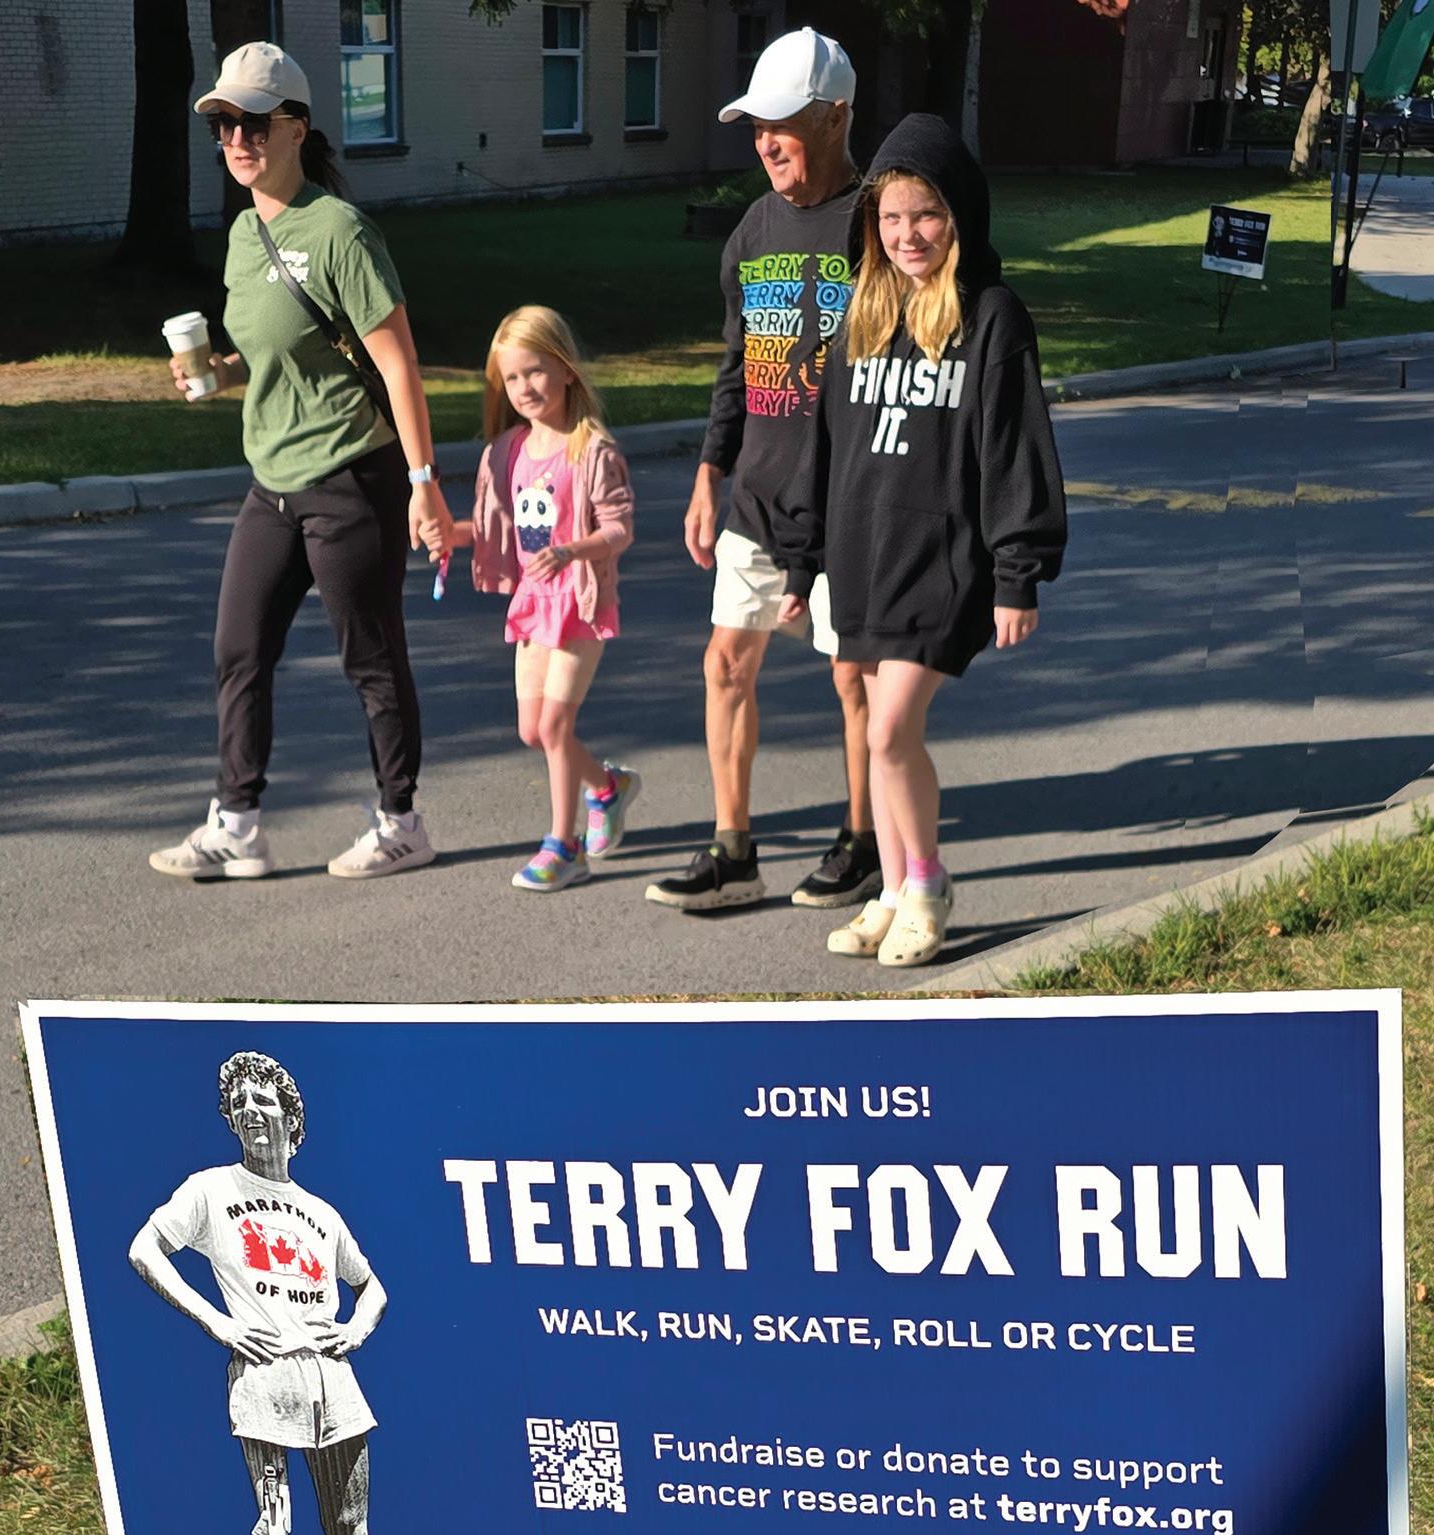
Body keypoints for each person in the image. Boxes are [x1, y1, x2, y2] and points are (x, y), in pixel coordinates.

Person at [149, 42, 452, 883]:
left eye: (252, 124)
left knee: (371, 658)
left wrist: (424, 486)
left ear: (296, 129)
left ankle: (401, 821)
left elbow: (397, 363)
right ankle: (237, 825)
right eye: (222, 125)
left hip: (352, 477)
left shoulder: (339, 230)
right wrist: (219, 372)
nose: (236, 140)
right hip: (272, 482)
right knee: (237, 648)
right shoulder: (244, 234)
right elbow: (275, 351)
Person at [773, 113, 1066, 968]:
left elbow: (1012, 449)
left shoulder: (991, 317)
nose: (908, 235)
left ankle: (927, 885)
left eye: (926, 215)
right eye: (892, 217)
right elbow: (822, 450)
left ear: (958, 217)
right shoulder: (860, 316)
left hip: (943, 561)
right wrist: (800, 559)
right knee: (876, 730)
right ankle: (893, 889)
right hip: (862, 558)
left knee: (889, 729)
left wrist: (1016, 573)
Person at [645, 28, 881, 913]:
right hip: (756, 491)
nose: (764, 142)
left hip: (848, 495)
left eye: (780, 123)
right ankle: (733, 849)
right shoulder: (754, 228)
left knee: (851, 676)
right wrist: (709, 470)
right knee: (725, 664)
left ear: (834, 117)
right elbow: (737, 363)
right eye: (755, 126)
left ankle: (862, 841)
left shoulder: (877, 221)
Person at [128, 1051, 413, 1535]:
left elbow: (371, 1286)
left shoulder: (321, 1212)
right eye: (239, 1103)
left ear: (291, 1116)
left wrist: (356, 1330)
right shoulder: (211, 1188)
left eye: (263, 1099)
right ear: (230, 1120)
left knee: (351, 1530)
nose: (250, 1110)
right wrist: (216, 1322)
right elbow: (145, 1248)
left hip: (331, 1380)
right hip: (265, 1378)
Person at [449, 306, 638, 891]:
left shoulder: (592, 449)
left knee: (555, 725)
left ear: (566, 370)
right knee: (533, 730)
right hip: (534, 603)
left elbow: (619, 528)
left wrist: (572, 551)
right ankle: (607, 786)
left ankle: (564, 846)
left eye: (534, 371)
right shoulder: (507, 451)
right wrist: (450, 534)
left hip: (579, 600)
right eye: (512, 377)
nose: (524, 387)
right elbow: (496, 531)